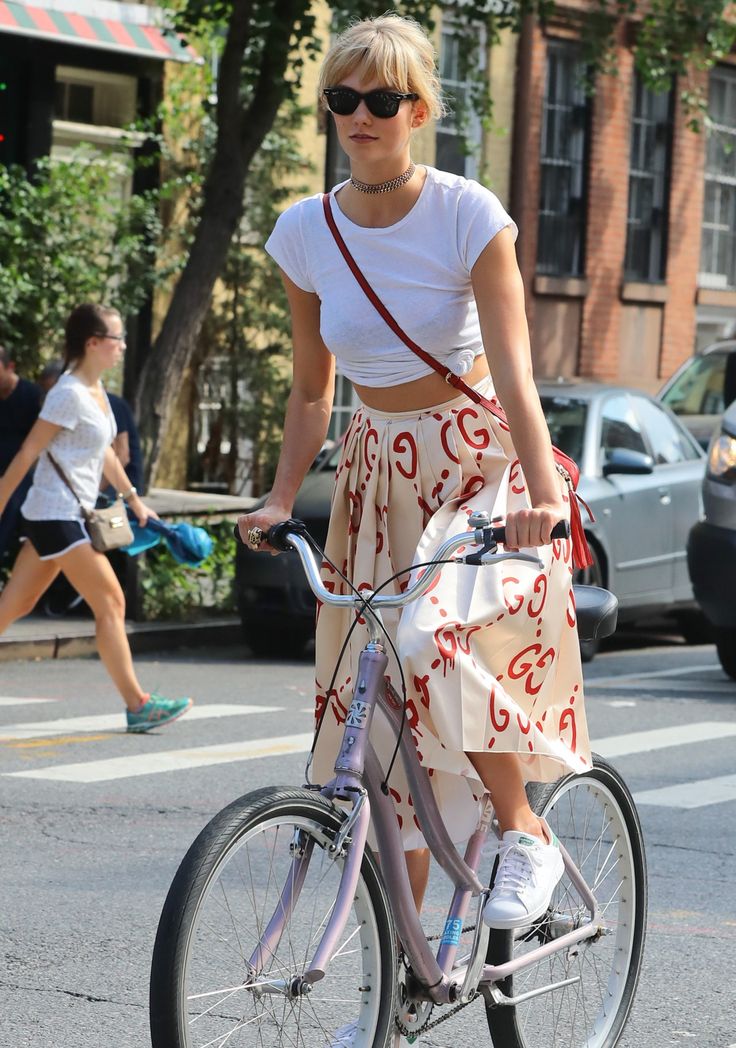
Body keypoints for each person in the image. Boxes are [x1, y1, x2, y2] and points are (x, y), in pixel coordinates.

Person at [237, 12, 590, 951]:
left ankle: (524, 832)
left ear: (419, 110)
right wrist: (280, 497)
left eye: (381, 99)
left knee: (432, 637)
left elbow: (514, 372)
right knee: (378, 732)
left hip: (478, 464)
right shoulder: (303, 232)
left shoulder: (469, 216)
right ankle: (402, 983)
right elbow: (314, 390)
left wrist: (538, 492)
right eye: (342, 98)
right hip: (372, 473)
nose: (359, 115)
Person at [0, 304, 193, 733]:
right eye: (116, 339)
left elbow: (103, 451)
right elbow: (29, 452)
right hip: (57, 515)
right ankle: (138, 704)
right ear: (92, 343)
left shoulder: (96, 391)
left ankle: (137, 703)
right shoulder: (66, 393)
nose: (123, 346)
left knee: (15, 605)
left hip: (62, 516)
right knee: (112, 601)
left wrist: (134, 501)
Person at [0, 345, 42, 560]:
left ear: (10, 367)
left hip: (26, 475)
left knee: (11, 503)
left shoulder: (32, 396)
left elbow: (36, 449)